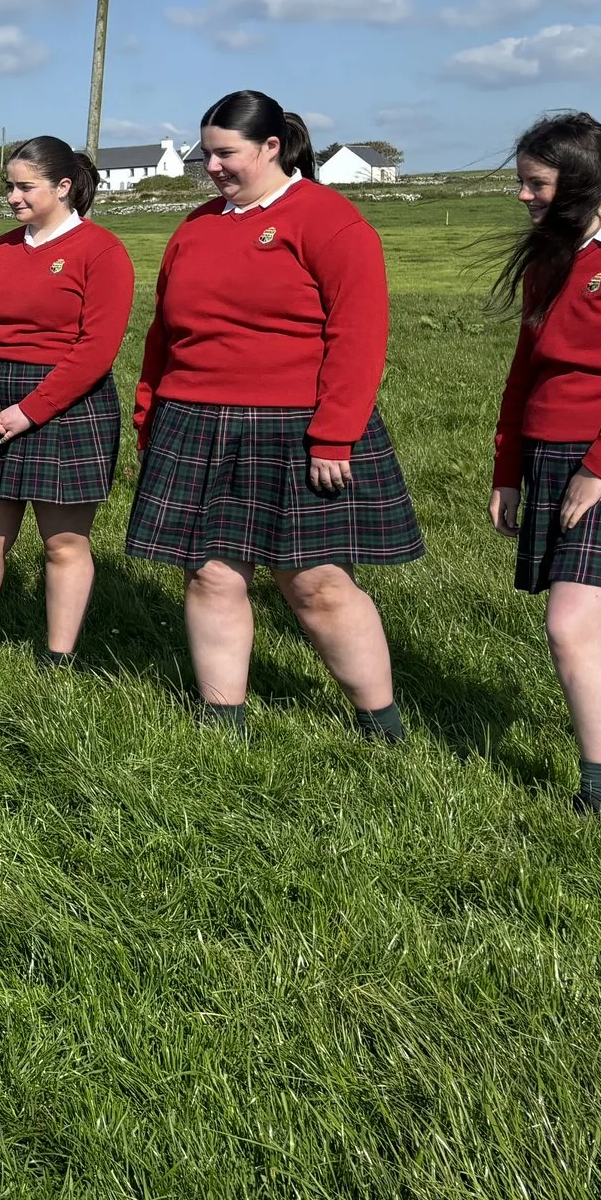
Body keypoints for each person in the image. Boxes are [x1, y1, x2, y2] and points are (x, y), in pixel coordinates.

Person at [126, 90, 423, 737]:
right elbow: (163, 332)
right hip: (195, 420)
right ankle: (222, 720)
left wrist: (336, 434)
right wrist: (150, 412)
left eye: (226, 153)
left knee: (316, 584)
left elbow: (359, 334)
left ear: (271, 147)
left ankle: (381, 722)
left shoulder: (329, 220)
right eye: (207, 153)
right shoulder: (196, 227)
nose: (213, 166)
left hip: (298, 427)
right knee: (209, 573)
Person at [489, 113, 601, 823]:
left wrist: (600, 466)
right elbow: (525, 369)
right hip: (555, 455)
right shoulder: (553, 256)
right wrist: (508, 468)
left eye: (537, 182)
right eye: (522, 182)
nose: (525, 197)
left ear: (583, 179)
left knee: (572, 627)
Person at [0, 136, 136, 663]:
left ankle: (57, 659)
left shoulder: (102, 251)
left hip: (69, 405)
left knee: (63, 545)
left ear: (63, 186)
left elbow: (96, 350)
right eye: (9, 186)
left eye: (24, 186)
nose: (12, 197)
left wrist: (31, 410)